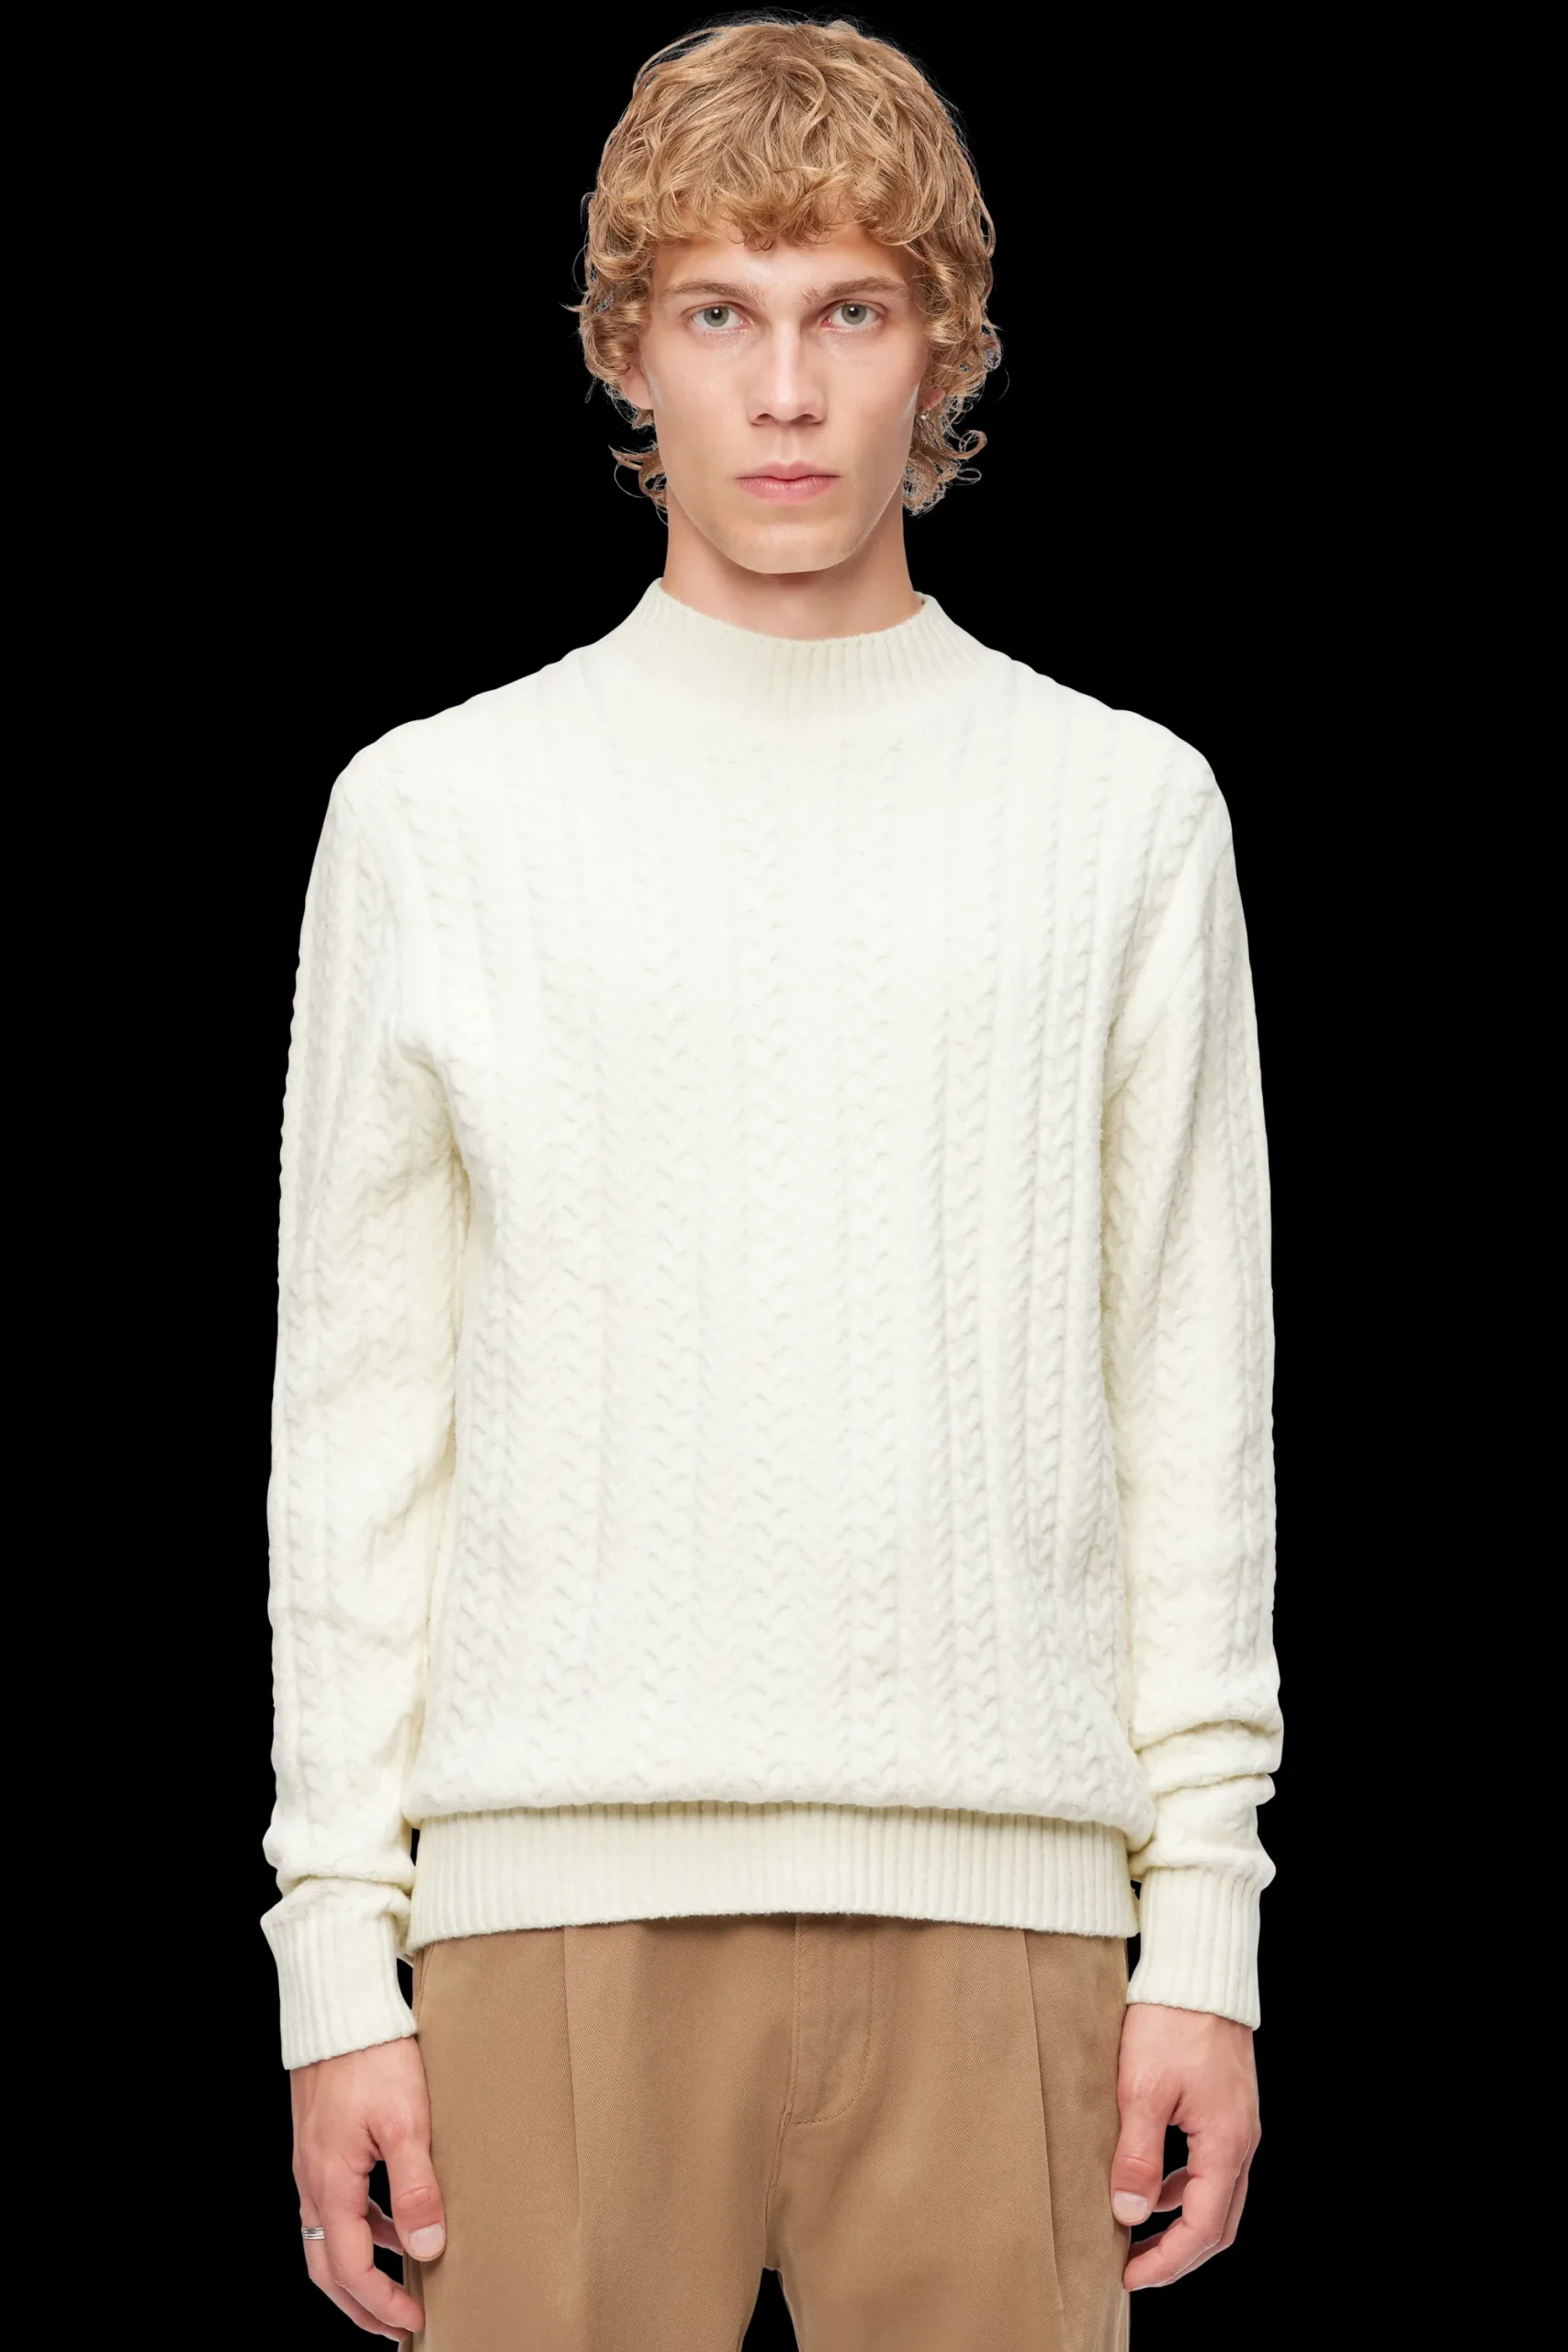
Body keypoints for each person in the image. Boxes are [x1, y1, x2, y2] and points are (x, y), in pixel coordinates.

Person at [262, 16, 1283, 2348]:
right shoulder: (436, 816)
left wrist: (1206, 1931)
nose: (792, 389)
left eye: (852, 309)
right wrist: (334, 1954)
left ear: (944, 348)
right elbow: (358, 1438)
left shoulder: (1122, 815)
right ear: (627, 350)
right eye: (721, 311)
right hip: (547, 1905)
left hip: (1011, 1910)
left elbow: (1188, 1398)